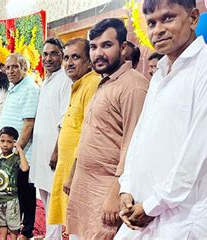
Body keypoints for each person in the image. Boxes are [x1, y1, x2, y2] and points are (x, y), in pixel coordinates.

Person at [116, 0, 207, 238]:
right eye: (151, 22)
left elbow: (201, 152)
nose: (157, 29)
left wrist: (154, 204)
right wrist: (127, 188)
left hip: (183, 220)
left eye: (168, 18)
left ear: (193, 18)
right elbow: (141, 136)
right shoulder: (160, 73)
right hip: (142, 210)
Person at [65, 18, 149, 239]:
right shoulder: (105, 81)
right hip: (85, 186)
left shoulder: (133, 86)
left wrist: (115, 193)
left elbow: (133, 145)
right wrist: (72, 175)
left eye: (106, 45)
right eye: (93, 47)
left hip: (106, 191)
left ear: (122, 48)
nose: (98, 53)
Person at [47, 38, 101, 236]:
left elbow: (88, 135)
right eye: (67, 57)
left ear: (89, 61)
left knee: (81, 228)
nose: (69, 63)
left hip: (80, 173)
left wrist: (73, 175)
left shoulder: (92, 84)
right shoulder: (79, 84)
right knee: (73, 226)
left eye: (76, 57)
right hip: (69, 168)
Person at [31, 37, 72, 239]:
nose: (48, 58)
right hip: (41, 147)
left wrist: (57, 151)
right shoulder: (46, 80)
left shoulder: (65, 80)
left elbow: (64, 120)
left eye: (54, 53)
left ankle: (53, 236)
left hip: (53, 150)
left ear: (62, 56)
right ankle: (50, 235)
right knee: (45, 192)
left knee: (54, 196)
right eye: (45, 54)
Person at [0, 53, 40, 239]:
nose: (10, 71)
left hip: (23, 154)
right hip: (11, 150)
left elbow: (28, 124)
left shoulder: (29, 88)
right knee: (15, 192)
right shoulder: (15, 87)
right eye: (7, 67)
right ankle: (16, 226)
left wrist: (17, 153)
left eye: (14, 67)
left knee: (25, 193)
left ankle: (27, 230)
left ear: (24, 67)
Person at [0, 127, 29, 240]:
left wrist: (20, 150)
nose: (5, 144)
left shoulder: (15, 158)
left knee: (13, 224)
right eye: (2, 141)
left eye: (9, 142)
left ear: (14, 143)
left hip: (11, 199)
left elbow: (25, 168)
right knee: (2, 223)